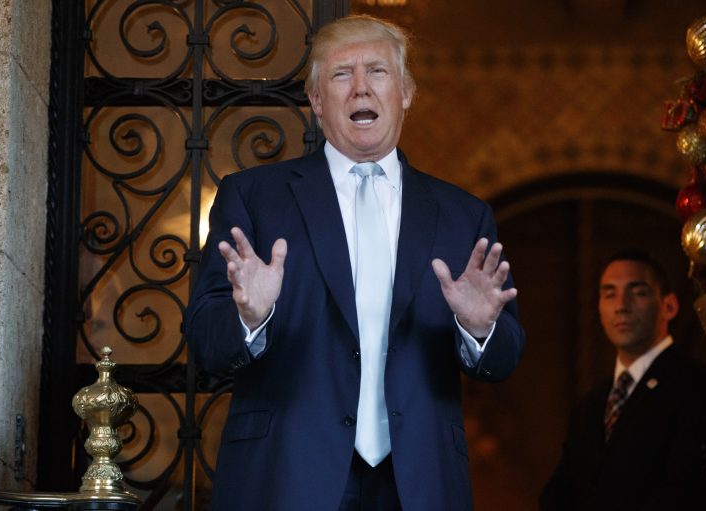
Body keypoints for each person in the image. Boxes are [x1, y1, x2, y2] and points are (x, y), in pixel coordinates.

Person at [185, 14, 525, 511]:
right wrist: (248, 318)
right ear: (317, 100)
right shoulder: (254, 197)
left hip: (418, 482)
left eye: (378, 72)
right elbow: (204, 337)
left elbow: (506, 354)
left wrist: (479, 331)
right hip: (287, 474)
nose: (360, 88)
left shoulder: (463, 215)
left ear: (405, 92)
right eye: (342, 74)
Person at [539, 249, 706, 511]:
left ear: (669, 306)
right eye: (609, 293)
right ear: (599, 309)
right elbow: (558, 492)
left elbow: (684, 493)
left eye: (638, 292)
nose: (621, 306)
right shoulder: (591, 403)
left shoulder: (697, 388)